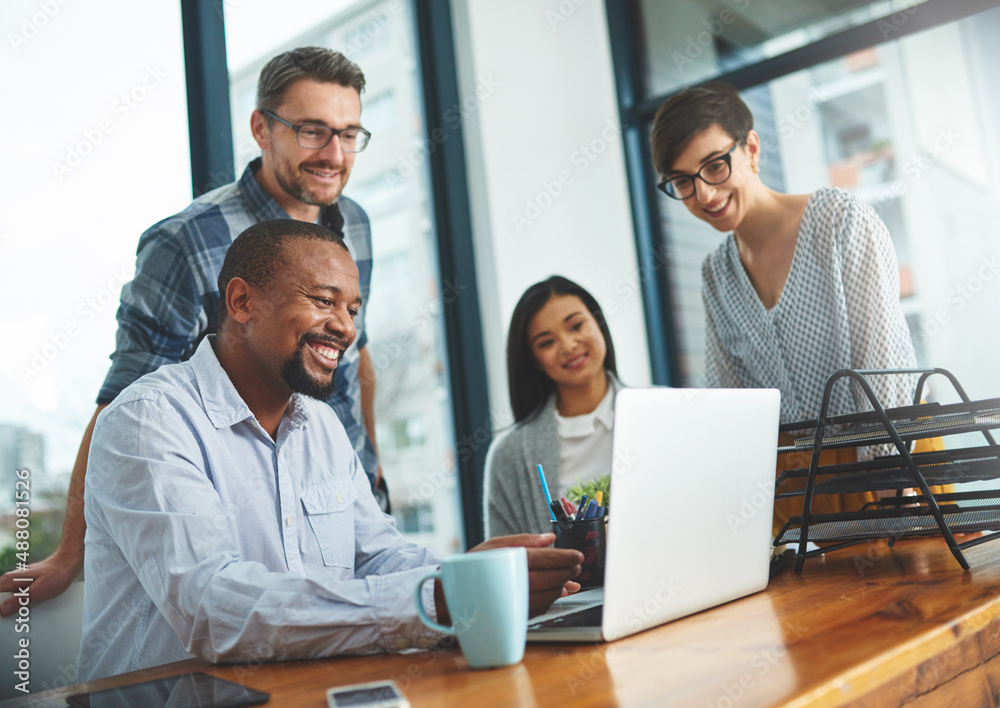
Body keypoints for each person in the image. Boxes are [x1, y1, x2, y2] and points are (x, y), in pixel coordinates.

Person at [75, 220, 583, 681]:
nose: (345, 326)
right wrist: (438, 599)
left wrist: (467, 580)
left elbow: (379, 556)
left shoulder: (320, 422)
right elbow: (216, 609)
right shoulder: (148, 420)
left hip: (304, 688)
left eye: (353, 308)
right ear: (241, 302)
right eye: (323, 300)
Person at [0, 47, 386, 616]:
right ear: (261, 128)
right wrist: (68, 554)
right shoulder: (187, 242)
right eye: (312, 131)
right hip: (249, 533)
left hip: (347, 509)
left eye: (349, 133)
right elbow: (123, 406)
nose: (334, 154)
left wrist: (373, 475)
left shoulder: (354, 221)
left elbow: (356, 362)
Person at [648, 81, 947, 537]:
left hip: (891, 459)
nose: (704, 195)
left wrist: (891, 478)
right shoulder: (716, 274)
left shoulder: (839, 220)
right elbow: (732, 407)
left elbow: (882, 360)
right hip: (795, 488)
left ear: (750, 148)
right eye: (683, 181)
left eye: (714, 166)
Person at [484, 276, 622, 537]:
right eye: (547, 342)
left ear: (598, 322)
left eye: (576, 326)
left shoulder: (660, 413)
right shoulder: (509, 456)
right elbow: (512, 564)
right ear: (533, 359)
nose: (568, 345)